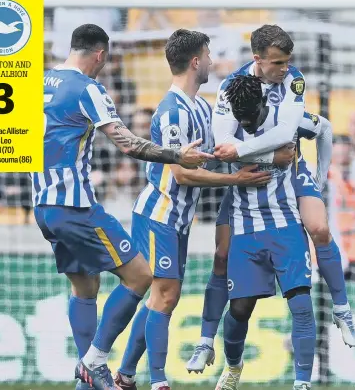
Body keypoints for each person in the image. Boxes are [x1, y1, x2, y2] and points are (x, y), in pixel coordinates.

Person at [36, 24, 211, 390]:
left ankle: (89, 378)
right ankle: (94, 361)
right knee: (140, 276)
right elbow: (128, 144)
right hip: (76, 205)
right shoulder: (88, 88)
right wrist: (177, 154)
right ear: (100, 54)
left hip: (42, 205)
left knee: (85, 287)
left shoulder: (39, 82)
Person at [187, 25, 355, 378]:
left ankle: (342, 310)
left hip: (290, 170)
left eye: (287, 61)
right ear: (257, 60)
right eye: (278, 63)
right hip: (246, 181)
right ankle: (208, 343)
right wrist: (258, 156)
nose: (285, 68)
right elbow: (224, 146)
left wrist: (322, 176)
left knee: (319, 228)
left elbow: (291, 132)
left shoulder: (294, 81)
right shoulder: (231, 89)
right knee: (221, 256)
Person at [107, 29, 276, 390]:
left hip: (179, 220)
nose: (213, 62)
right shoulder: (172, 113)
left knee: (162, 296)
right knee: (165, 294)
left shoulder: (200, 106)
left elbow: (217, 155)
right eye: (209, 55)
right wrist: (237, 181)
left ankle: (124, 375)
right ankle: (157, 381)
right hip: (159, 214)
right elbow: (182, 174)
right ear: (196, 61)